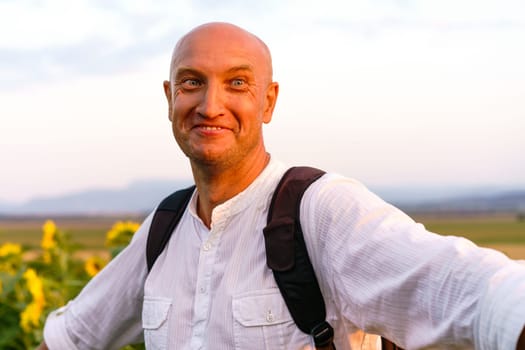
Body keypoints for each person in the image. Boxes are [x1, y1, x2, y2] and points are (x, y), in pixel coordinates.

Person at [38, 22, 525, 350]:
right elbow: (72, 337)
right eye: (191, 82)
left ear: (268, 102)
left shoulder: (318, 210)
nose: (210, 105)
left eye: (237, 83)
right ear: (169, 98)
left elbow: (467, 288)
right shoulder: (163, 230)